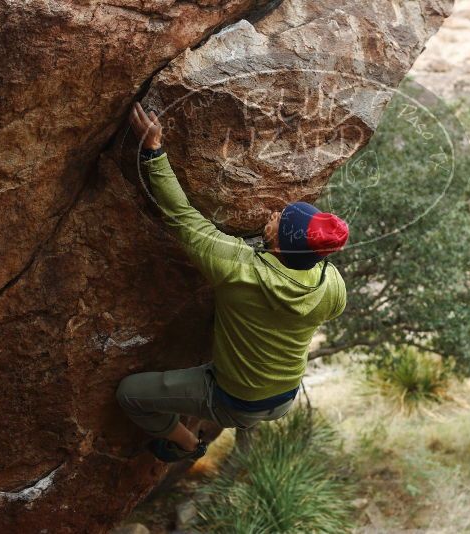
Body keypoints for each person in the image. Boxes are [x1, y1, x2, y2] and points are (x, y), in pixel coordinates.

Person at [115, 102, 349, 462]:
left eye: (280, 220)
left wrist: (153, 151)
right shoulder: (331, 286)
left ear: (276, 243)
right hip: (284, 395)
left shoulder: (237, 267)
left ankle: (187, 446)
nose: (274, 213)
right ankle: (198, 417)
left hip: (236, 400)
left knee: (130, 393)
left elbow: (181, 217)